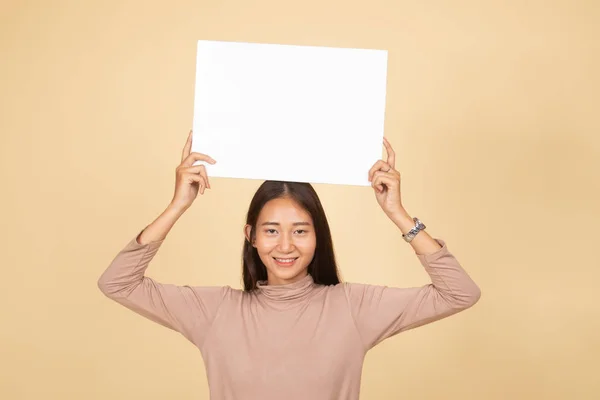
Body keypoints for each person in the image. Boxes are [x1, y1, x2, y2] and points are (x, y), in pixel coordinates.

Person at [98, 130, 481, 400]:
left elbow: (460, 293)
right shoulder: (214, 312)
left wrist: (399, 214)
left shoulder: (352, 308)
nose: (285, 246)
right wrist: (177, 205)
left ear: (318, 236)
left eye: (300, 231)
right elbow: (118, 283)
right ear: (250, 234)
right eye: (271, 231)